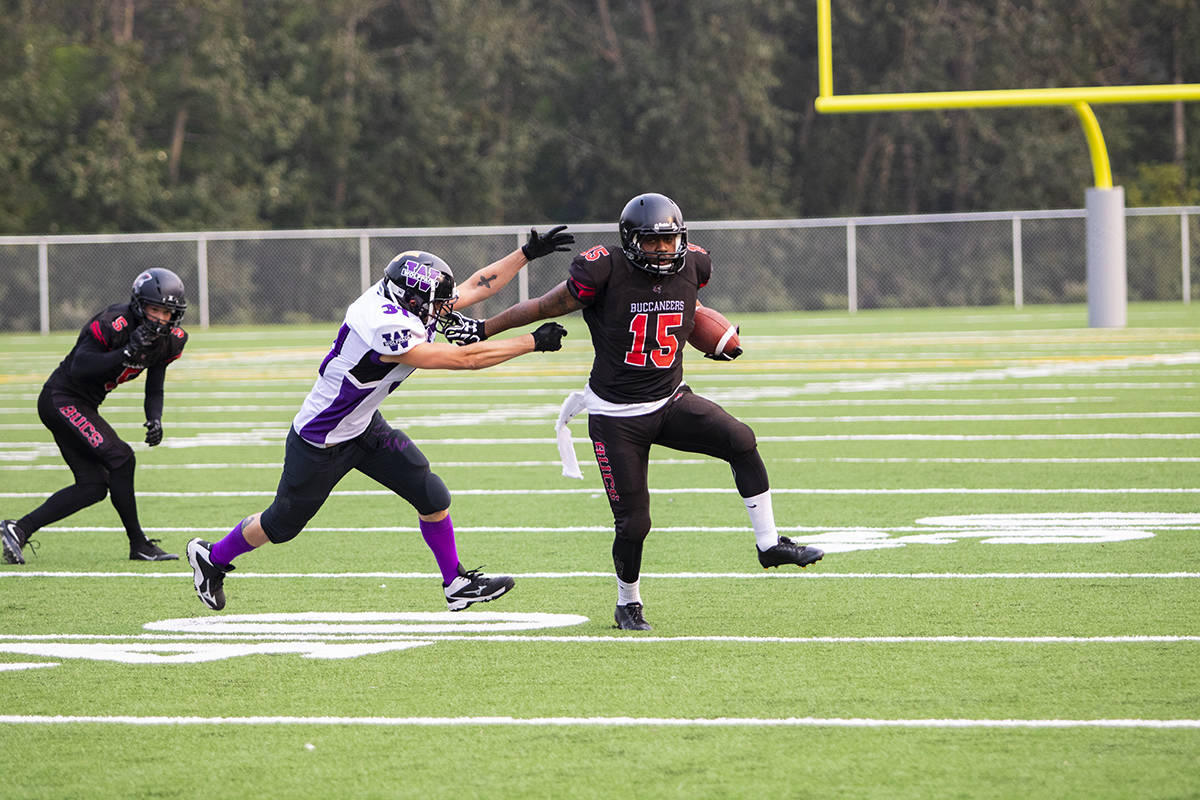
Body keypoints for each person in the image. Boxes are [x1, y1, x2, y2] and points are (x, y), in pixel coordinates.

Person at [441, 194, 823, 630]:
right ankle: (628, 602)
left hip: (670, 399)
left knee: (742, 440)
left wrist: (712, 337)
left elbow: (685, 307)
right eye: (652, 242)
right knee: (634, 523)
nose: (663, 250)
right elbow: (544, 306)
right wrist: (483, 328)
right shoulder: (603, 270)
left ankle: (769, 544)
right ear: (630, 240)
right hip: (615, 416)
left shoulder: (695, 264)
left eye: (670, 240)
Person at [186, 228, 573, 613]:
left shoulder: (404, 297)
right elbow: (464, 359)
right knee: (280, 524)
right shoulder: (386, 325)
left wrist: (526, 253)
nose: (445, 309)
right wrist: (531, 342)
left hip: (363, 424)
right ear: (413, 299)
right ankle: (213, 557)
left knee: (430, 494)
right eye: (436, 304)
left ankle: (455, 584)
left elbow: (475, 286)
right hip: (323, 438)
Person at [2, 268, 189, 565]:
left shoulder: (171, 340)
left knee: (93, 486)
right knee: (122, 458)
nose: (161, 318)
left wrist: (155, 418)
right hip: (61, 398)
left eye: (167, 312)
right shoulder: (113, 323)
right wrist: (125, 353)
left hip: (81, 404)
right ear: (139, 304)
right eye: (155, 309)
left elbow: (156, 385)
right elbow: (80, 366)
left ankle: (18, 529)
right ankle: (138, 544)